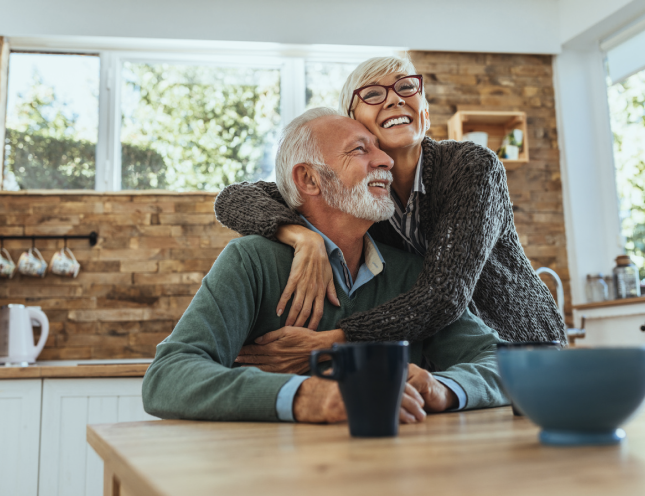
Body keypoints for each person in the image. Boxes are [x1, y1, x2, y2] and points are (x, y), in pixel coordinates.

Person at [142, 108, 508, 423]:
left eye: (379, 149)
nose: (386, 160)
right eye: (360, 150)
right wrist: (307, 396)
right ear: (309, 179)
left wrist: (441, 386)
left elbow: (501, 364)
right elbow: (168, 377)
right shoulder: (251, 261)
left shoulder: (412, 273)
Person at [215, 55, 565, 375]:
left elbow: (443, 296)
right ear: (354, 124)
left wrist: (332, 341)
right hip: (437, 363)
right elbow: (234, 198)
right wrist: (300, 235)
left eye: (406, 86)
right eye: (372, 94)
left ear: (425, 112)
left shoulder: (472, 167)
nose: (395, 99)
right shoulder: (356, 194)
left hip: (518, 348)